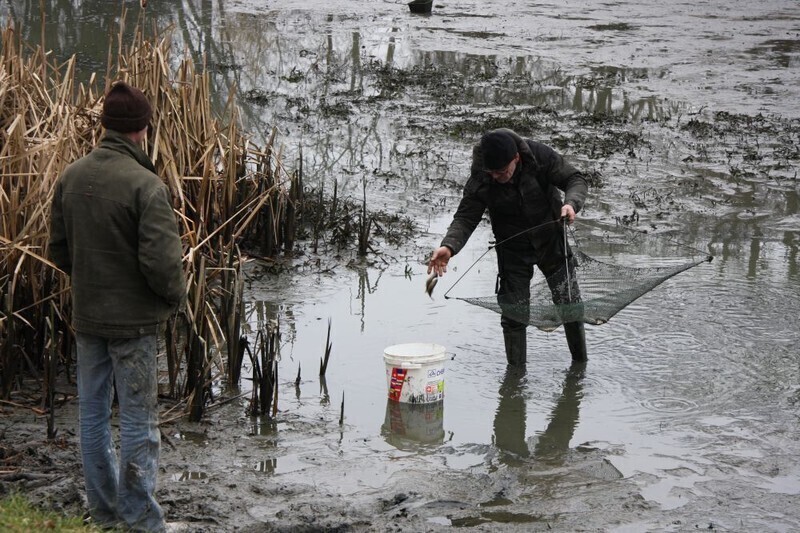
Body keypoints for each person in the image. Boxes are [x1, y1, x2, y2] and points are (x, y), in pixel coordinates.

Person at [48, 81, 186, 532]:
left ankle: (105, 515)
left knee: (91, 416)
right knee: (138, 422)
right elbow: (163, 266)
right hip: (135, 325)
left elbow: (60, 252)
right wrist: (175, 299)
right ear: (144, 130)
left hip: (89, 318)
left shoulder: (71, 176)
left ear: (105, 124)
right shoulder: (146, 186)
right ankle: (141, 520)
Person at [427, 128, 588, 366]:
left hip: (550, 239)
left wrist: (571, 204)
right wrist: (449, 247)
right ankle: (514, 381)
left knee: (569, 302)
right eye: (492, 173)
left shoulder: (539, 157)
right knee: (514, 315)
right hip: (511, 248)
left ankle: (580, 364)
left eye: (502, 172)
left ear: (516, 159)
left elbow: (575, 179)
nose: (497, 177)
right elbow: (465, 217)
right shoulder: (482, 176)